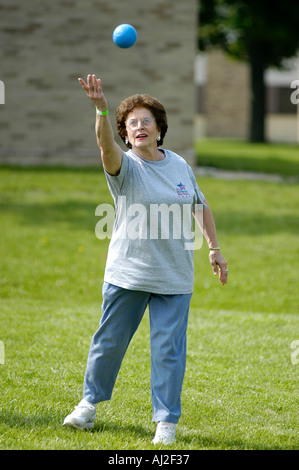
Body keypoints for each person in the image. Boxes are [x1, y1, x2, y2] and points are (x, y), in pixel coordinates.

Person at [63, 74, 228, 444]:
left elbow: (200, 207)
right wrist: (101, 110)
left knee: (169, 351)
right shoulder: (125, 167)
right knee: (109, 342)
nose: (138, 126)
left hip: (174, 276)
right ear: (124, 134)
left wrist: (214, 248)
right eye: (131, 123)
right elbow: (105, 149)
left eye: (146, 121)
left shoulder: (179, 165)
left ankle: (166, 423)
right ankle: (88, 406)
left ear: (159, 129)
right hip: (129, 273)